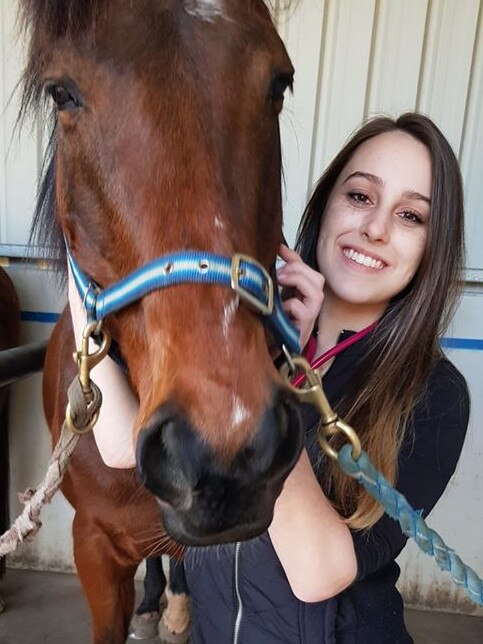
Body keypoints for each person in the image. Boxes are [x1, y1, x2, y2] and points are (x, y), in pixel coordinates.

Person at [69, 112, 470, 643]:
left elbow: (319, 573)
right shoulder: (240, 327)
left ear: (431, 247)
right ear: (326, 203)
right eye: (360, 197)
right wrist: (79, 275)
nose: (375, 229)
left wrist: (270, 373)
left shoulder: (435, 393)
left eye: (411, 216)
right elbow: (123, 444)